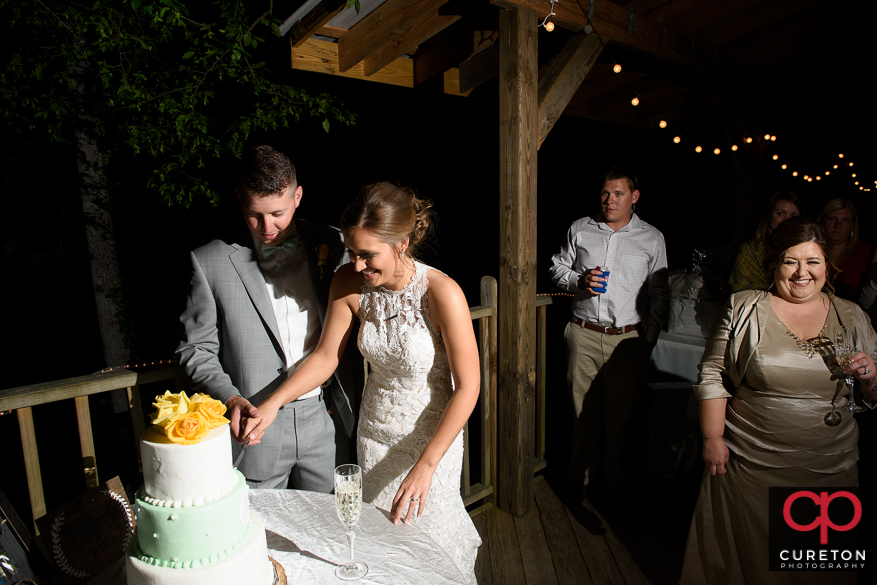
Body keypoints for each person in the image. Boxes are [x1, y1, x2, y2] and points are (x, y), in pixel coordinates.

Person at [241, 182, 482, 583]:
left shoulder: (443, 293)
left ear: (401, 243)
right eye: (352, 252)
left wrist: (426, 465)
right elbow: (324, 357)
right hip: (374, 434)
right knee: (381, 545)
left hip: (430, 442)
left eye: (368, 255)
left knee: (429, 543)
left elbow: (468, 388)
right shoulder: (348, 283)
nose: (356, 265)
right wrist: (272, 403)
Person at [680, 217, 877, 585]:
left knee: (819, 568)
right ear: (775, 266)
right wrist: (712, 438)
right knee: (760, 568)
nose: (802, 272)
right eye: (791, 261)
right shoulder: (743, 307)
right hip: (752, 465)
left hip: (830, 467)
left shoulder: (852, 315)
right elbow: (712, 374)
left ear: (828, 267)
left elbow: (871, 395)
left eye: (813, 261)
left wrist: (871, 378)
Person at [175, 145, 357, 493]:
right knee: (261, 534)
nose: (266, 226)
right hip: (255, 429)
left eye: (278, 213)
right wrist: (230, 398)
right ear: (240, 199)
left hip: (322, 417)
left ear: (298, 196)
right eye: (254, 214)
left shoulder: (332, 244)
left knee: (325, 528)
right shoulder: (210, 262)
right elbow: (195, 350)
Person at [548, 167, 669, 492]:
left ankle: (614, 483)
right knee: (580, 413)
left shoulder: (652, 237)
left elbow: (659, 292)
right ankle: (580, 480)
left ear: (634, 197)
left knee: (620, 417)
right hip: (583, 332)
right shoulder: (581, 228)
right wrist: (578, 279)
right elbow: (557, 267)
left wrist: (649, 338)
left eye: (618, 193)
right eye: (605, 192)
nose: (609, 200)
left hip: (627, 340)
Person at [729, 190, 803, 292]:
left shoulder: (806, 250)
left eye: (794, 216)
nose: (787, 220)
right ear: (769, 215)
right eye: (781, 214)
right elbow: (740, 288)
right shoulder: (751, 250)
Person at [819, 198, 873, 303]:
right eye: (832, 219)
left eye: (845, 220)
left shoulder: (866, 252)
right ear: (822, 220)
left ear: (852, 225)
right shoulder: (809, 249)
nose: (838, 225)